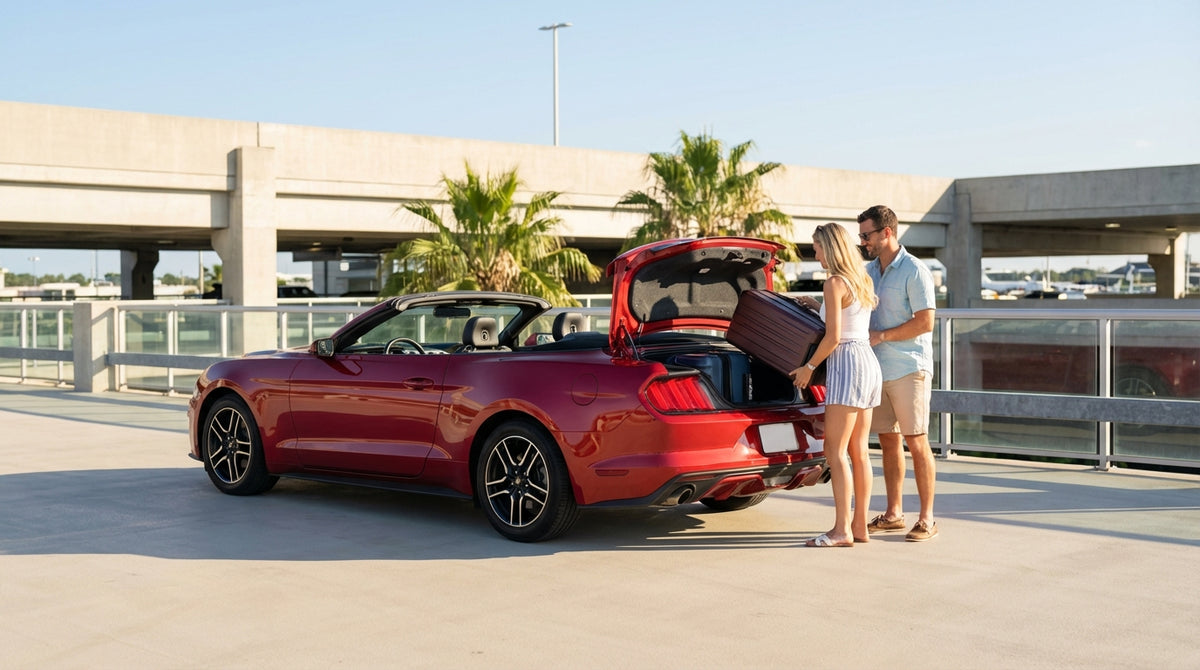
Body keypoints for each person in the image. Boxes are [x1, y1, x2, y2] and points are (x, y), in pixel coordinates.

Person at [792, 222, 882, 548]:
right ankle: (859, 527)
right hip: (869, 363)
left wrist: (809, 367)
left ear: (829, 247)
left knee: (834, 450)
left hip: (846, 363)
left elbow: (833, 336)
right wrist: (818, 308)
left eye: (816, 247)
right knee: (860, 451)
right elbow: (847, 320)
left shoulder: (833, 283)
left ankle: (841, 530)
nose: (814, 253)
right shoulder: (861, 280)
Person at [857, 205, 939, 542]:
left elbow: (925, 322)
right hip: (878, 370)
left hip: (909, 369)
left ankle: (927, 519)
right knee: (888, 442)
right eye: (861, 236)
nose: (862, 242)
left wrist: (883, 336)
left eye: (867, 235)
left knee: (916, 441)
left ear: (887, 232)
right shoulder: (868, 271)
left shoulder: (915, 271)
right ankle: (893, 514)